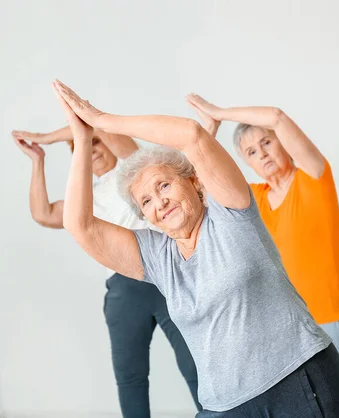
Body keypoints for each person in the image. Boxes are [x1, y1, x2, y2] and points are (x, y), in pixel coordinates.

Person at [51, 79, 339, 417]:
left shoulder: (231, 212)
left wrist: (101, 121)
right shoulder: (156, 256)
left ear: (194, 181)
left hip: (297, 380)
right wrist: (80, 138)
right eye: (147, 200)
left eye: (165, 185)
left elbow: (192, 135)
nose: (160, 202)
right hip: (223, 406)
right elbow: (79, 225)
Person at [186, 94, 339, 418]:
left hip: (330, 315)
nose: (262, 153)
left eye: (266, 143)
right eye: (251, 152)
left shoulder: (314, 177)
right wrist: (209, 129)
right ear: (247, 162)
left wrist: (221, 111)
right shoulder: (253, 200)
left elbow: (276, 116)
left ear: (283, 143)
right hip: (284, 326)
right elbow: (198, 181)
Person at [12, 127, 202, 418]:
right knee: (130, 378)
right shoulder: (86, 197)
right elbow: (43, 214)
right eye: (79, 149)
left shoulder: (134, 171)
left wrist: (53, 136)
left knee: (194, 364)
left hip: (166, 276)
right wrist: (38, 159)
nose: (90, 148)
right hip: (124, 289)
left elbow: (96, 125)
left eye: (93, 142)